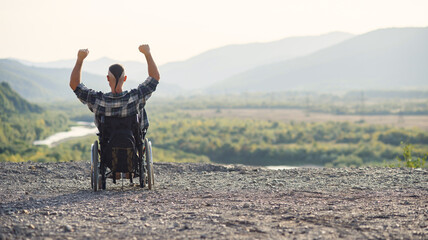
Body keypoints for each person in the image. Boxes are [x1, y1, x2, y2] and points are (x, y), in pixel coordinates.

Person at [69, 44, 160, 127]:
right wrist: (147, 53)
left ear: (108, 78)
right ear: (125, 78)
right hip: (134, 143)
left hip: (107, 144)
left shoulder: (98, 100)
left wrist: (80, 59)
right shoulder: (135, 97)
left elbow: (74, 84)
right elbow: (154, 78)